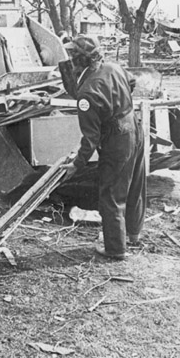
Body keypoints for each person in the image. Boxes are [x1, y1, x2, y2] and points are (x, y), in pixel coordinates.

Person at [61, 35, 146, 260]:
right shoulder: (113, 67)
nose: (69, 60)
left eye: (72, 56)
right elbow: (132, 82)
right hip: (135, 126)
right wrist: (119, 101)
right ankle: (133, 234)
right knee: (135, 183)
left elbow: (90, 139)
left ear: (79, 60)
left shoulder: (87, 92)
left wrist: (76, 165)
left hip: (117, 138)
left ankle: (115, 249)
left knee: (111, 193)